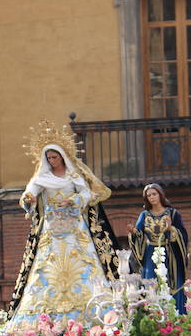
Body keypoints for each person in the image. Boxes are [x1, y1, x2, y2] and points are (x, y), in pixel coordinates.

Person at [7, 123, 119, 323]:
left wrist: (74, 200)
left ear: (62, 156)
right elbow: (29, 193)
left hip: (75, 228)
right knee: (46, 265)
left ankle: (95, 310)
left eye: (54, 157)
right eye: (48, 158)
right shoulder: (42, 177)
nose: (51, 161)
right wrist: (29, 200)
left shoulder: (73, 175)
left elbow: (86, 193)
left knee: (83, 262)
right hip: (52, 230)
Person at [128, 183, 190, 312]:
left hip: (170, 255)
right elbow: (139, 234)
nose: (151, 197)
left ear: (160, 195)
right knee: (151, 283)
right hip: (150, 256)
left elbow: (183, 235)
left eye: (154, 194)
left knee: (170, 283)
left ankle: (174, 315)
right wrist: (134, 232)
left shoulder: (173, 214)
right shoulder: (144, 215)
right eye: (148, 195)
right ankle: (153, 315)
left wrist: (170, 229)